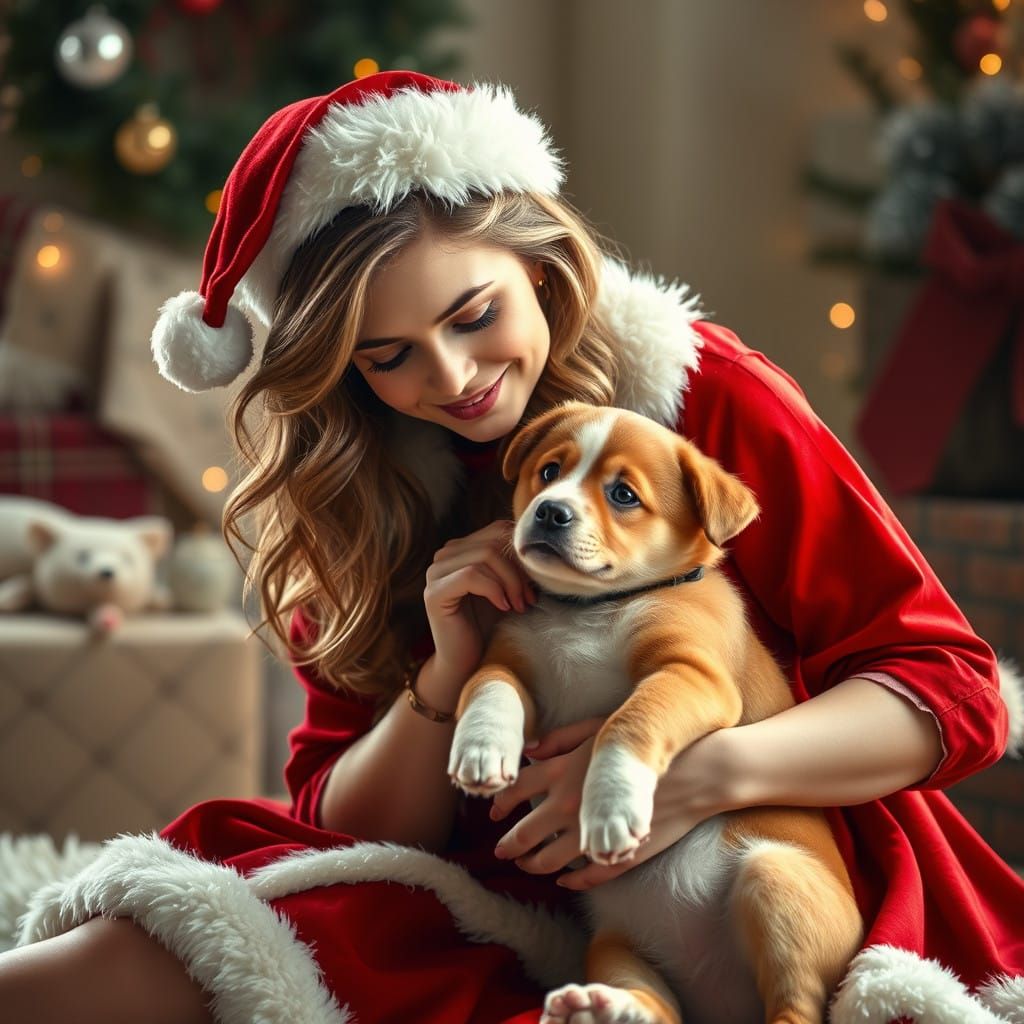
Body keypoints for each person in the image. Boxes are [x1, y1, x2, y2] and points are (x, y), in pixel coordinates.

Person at [1, 70, 1022, 1024]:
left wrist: (698, 775)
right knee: (146, 944)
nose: (451, 378)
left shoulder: (698, 401)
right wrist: (446, 674)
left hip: (757, 872)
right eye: (387, 357)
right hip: (505, 901)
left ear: (538, 260)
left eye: (474, 315)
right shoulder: (361, 480)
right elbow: (347, 824)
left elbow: (951, 687)